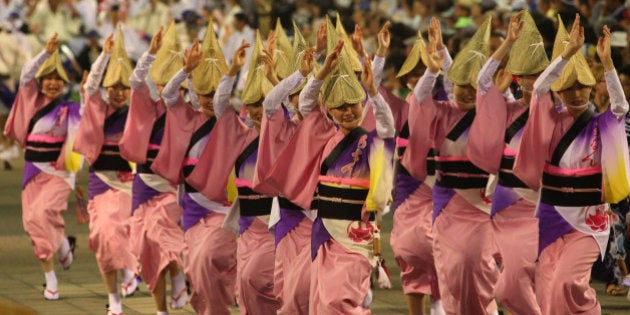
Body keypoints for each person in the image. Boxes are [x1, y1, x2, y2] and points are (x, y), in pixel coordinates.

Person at [514, 15, 630, 314]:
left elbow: (621, 106)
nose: (576, 93)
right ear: (560, 91)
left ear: (592, 88)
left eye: (582, 87)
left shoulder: (602, 123)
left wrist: (607, 64)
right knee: (548, 285)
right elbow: (539, 89)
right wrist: (566, 55)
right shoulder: (549, 118)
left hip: (588, 218)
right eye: (569, 87)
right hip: (552, 213)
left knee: (568, 282)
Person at [151, 27, 249, 315]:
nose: (208, 99)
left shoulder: (230, 121)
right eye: (202, 92)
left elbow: (220, 103)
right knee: (197, 270)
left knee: (209, 258)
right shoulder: (185, 117)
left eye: (213, 92)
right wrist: (186, 71)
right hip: (192, 208)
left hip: (223, 207)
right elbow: (169, 95)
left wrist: (231, 71)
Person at [416, 16, 500, 314]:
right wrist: (433, 65)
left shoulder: (495, 113)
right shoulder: (441, 111)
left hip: (482, 203)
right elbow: (419, 97)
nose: (464, 90)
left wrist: (507, 47)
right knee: (451, 269)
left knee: (479, 265)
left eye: (471, 85)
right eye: (459, 85)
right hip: (447, 202)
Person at [467, 10, 548, 314]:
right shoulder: (509, 110)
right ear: (518, 78)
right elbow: (483, 81)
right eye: (528, 76)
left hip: (539, 206)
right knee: (510, 282)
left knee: (520, 281)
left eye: (540, 75)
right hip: (503, 205)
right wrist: (509, 42)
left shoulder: (559, 113)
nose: (534, 81)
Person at [3, 33, 80, 301]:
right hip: (32, 171)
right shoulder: (32, 101)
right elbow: (25, 74)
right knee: (32, 223)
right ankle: (61, 248)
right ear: (41, 82)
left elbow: (77, 144)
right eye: (48, 79)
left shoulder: (71, 108)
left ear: (64, 84)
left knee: (45, 213)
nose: (52, 83)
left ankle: (52, 281)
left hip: (59, 172)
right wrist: (46, 54)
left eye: (58, 80)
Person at [119, 24, 187, 315]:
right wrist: (150, 54)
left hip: (172, 189)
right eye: (161, 83)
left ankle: (179, 275)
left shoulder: (186, 112)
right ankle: (161, 310)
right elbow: (135, 81)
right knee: (147, 247)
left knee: (164, 237)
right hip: (142, 186)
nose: (165, 89)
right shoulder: (144, 107)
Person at [73, 29, 138, 315]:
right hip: (99, 182)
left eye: (125, 87)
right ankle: (114, 299)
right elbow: (90, 88)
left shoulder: (137, 112)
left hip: (126, 184)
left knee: (120, 234)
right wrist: (106, 55)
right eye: (114, 87)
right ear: (106, 88)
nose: (119, 92)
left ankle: (130, 270)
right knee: (101, 237)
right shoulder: (95, 108)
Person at [389, 19, 451, 315]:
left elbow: (454, 78)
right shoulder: (400, 107)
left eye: (422, 71)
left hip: (443, 185)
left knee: (440, 248)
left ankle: (440, 304)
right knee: (408, 250)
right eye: (412, 74)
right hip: (409, 186)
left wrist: (440, 51)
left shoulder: (449, 102)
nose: (418, 77)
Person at [253, 21, 315, 314]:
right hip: (290, 214)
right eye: (296, 95)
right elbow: (271, 102)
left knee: (313, 285)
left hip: (323, 216)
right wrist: (296, 75)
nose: (301, 101)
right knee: (287, 287)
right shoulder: (282, 124)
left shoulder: (328, 126)